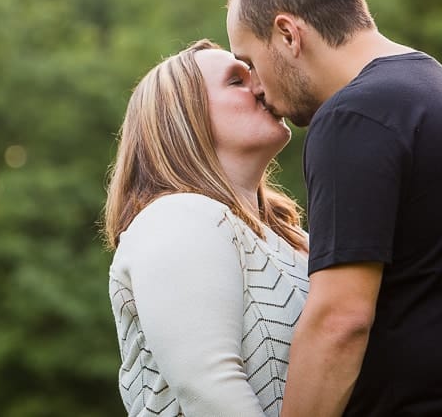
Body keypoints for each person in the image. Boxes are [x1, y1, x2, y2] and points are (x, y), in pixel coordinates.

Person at [226, 0, 442, 416]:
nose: (256, 85)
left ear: (288, 34)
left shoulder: (354, 114)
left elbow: (339, 319)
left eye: (249, 60)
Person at [104, 39, 309, 416]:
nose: (261, 85)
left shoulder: (294, 240)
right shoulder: (176, 217)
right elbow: (210, 388)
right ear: (181, 118)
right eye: (237, 80)